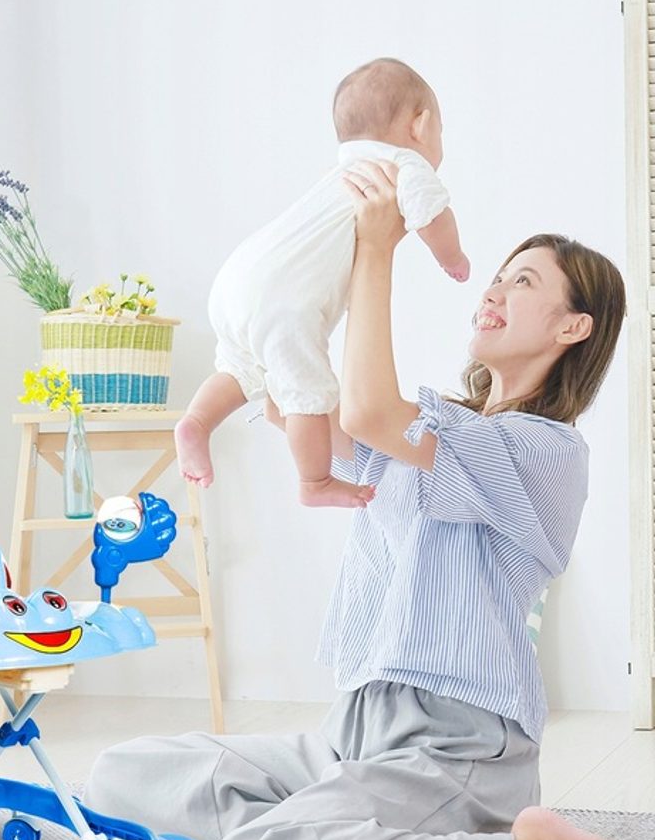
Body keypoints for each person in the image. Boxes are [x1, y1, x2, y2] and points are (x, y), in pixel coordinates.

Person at [84, 158, 650, 840]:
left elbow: (368, 412)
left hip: (456, 750)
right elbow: (298, 405)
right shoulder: (430, 430)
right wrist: (297, 285)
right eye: (497, 276)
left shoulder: (545, 453)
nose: (494, 290)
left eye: (522, 282)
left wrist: (379, 249)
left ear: (572, 327)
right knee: (119, 777)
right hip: (349, 736)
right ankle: (340, 837)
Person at [174, 58, 470, 509]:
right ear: (421, 125)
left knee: (239, 367)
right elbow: (433, 217)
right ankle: (314, 482)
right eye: (441, 130)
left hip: (239, 275)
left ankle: (196, 421)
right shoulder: (405, 165)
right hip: (284, 305)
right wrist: (453, 258)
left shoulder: (342, 171)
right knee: (308, 393)